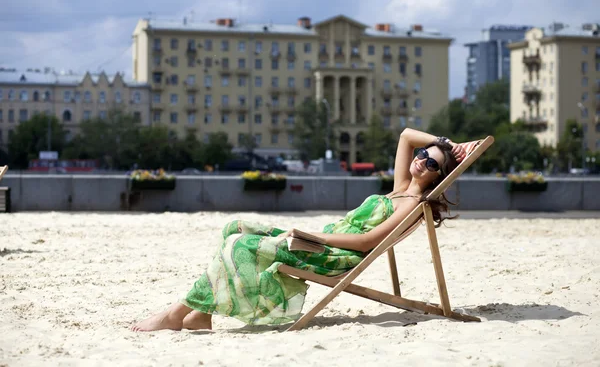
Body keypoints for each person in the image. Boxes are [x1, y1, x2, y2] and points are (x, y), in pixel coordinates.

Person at [131, 129, 466, 332]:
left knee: (240, 244)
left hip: (333, 255)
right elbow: (407, 135)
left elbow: (367, 242)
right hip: (321, 241)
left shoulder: (411, 204)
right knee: (234, 226)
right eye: (423, 155)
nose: (421, 159)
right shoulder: (400, 187)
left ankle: (178, 314)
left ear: (438, 176)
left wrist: (313, 238)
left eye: (432, 163)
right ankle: (201, 313)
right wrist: (447, 143)